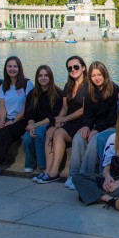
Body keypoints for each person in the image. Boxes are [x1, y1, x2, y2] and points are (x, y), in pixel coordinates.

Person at [36, 56, 87, 184]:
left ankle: (54, 172)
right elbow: (65, 107)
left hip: (80, 121)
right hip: (67, 119)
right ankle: (47, 170)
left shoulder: (88, 86)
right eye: (70, 68)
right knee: (50, 131)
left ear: (83, 68)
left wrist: (65, 118)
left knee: (58, 133)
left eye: (76, 67)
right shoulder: (68, 86)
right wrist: (60, 119)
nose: (73, 70)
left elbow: (83, 109)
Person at [72, 61, 119, 186]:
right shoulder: (89, 91)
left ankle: (84, 176)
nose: (96, 78)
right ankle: (73, 175)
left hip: (111, 126)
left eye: (99, 75)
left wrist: (97, 129)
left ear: (104, 74)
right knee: (78, 137)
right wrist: (87, 126)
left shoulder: (113, 89)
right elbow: (88, 114)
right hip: (96, 126)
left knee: (95, 140)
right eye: (93, 76)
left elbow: (112, 116)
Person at [23, 65, 63, 173]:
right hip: (35, 124)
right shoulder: (32, 94)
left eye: (46, 75)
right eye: (40, 75)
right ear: (37, 78)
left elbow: (54, 116)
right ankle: (29, 163)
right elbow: (30, 114)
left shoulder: (57, 94)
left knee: (40, 133)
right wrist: (31, 125)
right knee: (27, 137)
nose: (43, 78)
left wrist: (35, 126)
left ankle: (43, 166)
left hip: (50, 123)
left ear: (50, 77)